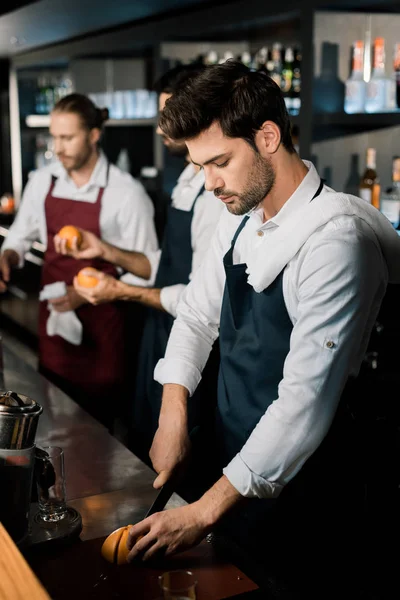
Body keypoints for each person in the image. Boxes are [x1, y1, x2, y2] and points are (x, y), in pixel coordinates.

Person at [124, 61, 400, 594]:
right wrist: (173, 408)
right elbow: (198, 315)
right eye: (200, 166)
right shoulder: (245, 221)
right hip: (235, 479)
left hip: (308, 500)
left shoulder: (336, 242)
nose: (210, 184)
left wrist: (202, 512)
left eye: (220, 162)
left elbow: (303, 406)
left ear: (268, 136)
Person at [55, 65, 223, 461]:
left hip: (190, 344)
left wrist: (121, 290)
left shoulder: (215, 193)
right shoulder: (185, 180)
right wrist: (105, 251)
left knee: (179, 459)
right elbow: (167, 263)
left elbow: (199, 300)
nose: (160, 127)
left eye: (169, 116)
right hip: (159, 334)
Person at [0, 93, 158, 428]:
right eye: (55, 137)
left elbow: (148, 269)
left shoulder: (126, 193)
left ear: (94, 135)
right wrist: (7, 257)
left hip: (103, 333)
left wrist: (88, 291)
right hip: (54, 327)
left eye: (68, 138)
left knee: (101, 431)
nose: (58, 147)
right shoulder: (43, 181)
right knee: (54, 420)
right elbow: (20, 237)